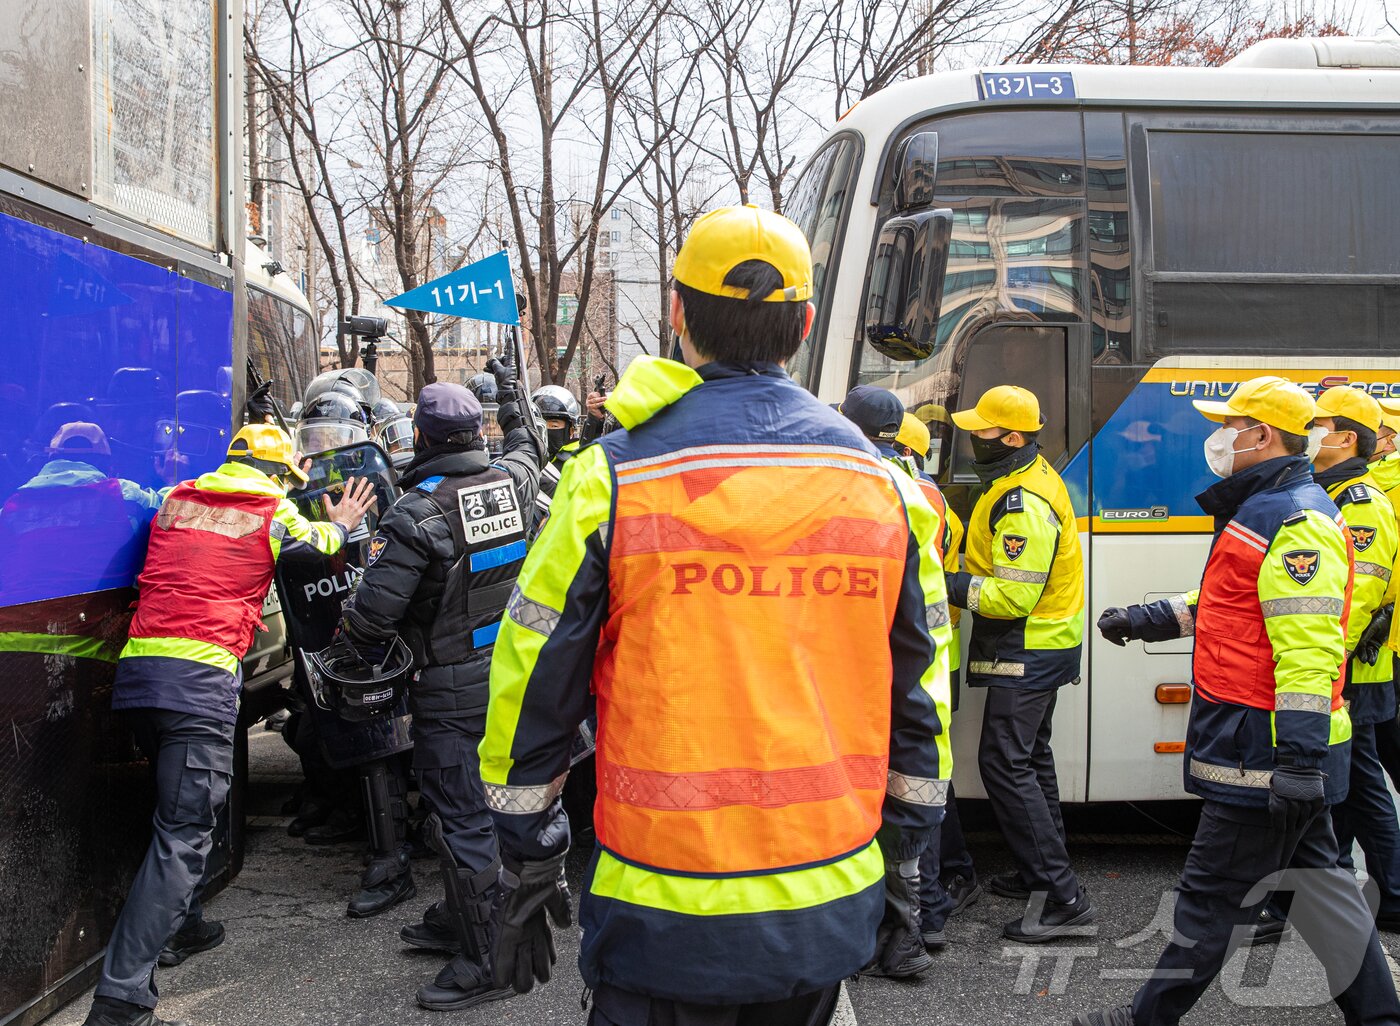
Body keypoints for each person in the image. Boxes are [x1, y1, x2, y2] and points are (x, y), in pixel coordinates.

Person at [479, 204, 953, 1024]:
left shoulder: (608, 481)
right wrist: (910, 847)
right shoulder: (887, 489)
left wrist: (528, 851)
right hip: (828, 894)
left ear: (676, 312)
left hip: (658, 908)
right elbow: (923, 683)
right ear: (804, 324)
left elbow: (530, 678)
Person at [1077, 375, 1400, 1026]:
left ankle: (1142, 1019)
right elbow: (1233, 604)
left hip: (1265, 749)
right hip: (1269, 744)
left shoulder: (1294, 517)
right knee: (1325, 895)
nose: (1217, 437)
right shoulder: (1269, 506)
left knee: (1209, 899)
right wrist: (1153, 617)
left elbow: (1308, 649)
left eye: (1230, 425)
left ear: (1263, 435)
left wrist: (1301, 762)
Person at [82, 423, 374, 1026]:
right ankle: (121, 999)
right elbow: (320, 546)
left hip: (139, 678)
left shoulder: (176, 498)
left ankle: (181, 924)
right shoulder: (272, 511)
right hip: (201, 683)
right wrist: (343, 520)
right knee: (185, 831)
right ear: (277, 476)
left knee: (172, 816)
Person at [338, 362, 542, 1012]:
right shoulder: (513, 482)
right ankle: (463, 918)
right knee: (496, 812)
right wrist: (512, 390)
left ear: (421, 438)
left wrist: (350, 656)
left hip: (449, 696)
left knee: (463, 822)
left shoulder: (414, 515)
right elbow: (529, 444)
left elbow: (371, 619)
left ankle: (490, 961)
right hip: (511, 682)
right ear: (477, 430)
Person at [1246, 386, 1400, 944]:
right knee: (1353, 787)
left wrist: (1321, 661)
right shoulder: (1332, 492)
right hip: (1343, 670)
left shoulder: (1360, 502)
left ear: (1347, 437)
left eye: (1322, 424)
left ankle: (1361, 899)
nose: (1312, 431)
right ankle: (1357, 898)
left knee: (1354, 787)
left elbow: (1354, 600)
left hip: (1353, 672)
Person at [944, 385, 1091, 942]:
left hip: (1027, 645)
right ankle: (1044, 877)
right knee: (1030, 759)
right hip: (1042, 645)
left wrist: (945, 581)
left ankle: (1061, 899)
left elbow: (1012, 598)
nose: (970, 438)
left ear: (1010, 437)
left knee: (1005, 763)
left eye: (980, 430)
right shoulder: (1022, 480)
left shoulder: (1021, 501)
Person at [840, 392, 976, 953]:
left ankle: (913, 924)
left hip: (882, 657)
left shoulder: (865, 486)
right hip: (932, 657)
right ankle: (928, 914)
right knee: (921, 788)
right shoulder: (927, 492)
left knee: (895, 792)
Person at [895, 412, 980, 945]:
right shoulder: (935, 497)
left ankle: (931, 898)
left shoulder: (909, 496)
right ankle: (954, 870)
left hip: (919, 651)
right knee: (932, 770)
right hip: (936, 646)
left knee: (919, 774)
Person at [529, 384, 583, 529]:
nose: (546, 430)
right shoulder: (526, 458)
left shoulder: (578, 461)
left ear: (571, 429)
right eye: (540, 424)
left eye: (554, 425)